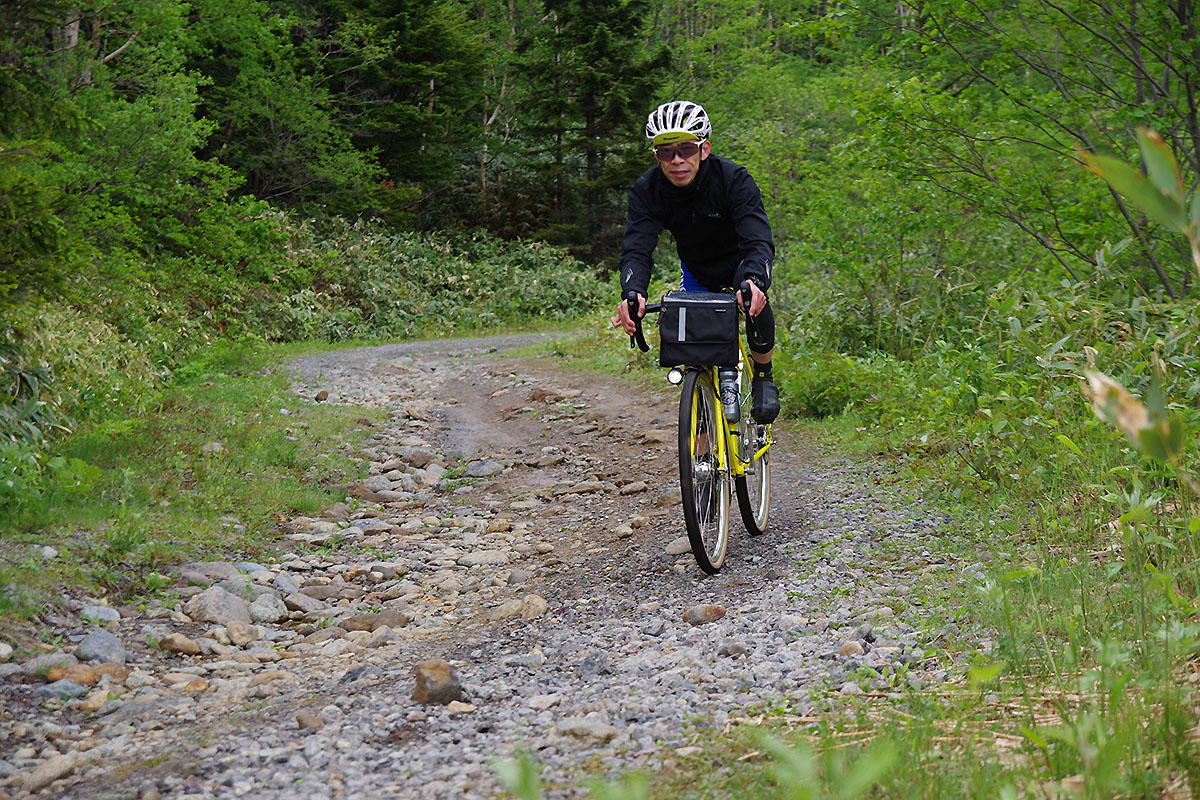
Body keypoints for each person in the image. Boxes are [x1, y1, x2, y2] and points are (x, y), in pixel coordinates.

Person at [611, 100, 779, 423]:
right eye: (665, 152)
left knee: (751, 296)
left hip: (739, 263)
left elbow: (758, 239)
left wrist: (755, 281)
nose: (676, 160)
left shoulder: (733, 179)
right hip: (697, 269)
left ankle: (763, 376)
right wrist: (633, 292)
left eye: (686, 149)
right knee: (696, 358)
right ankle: (702, 461)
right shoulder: (648, 191)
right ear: (656, 156)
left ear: (704, 149)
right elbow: (637, 249)